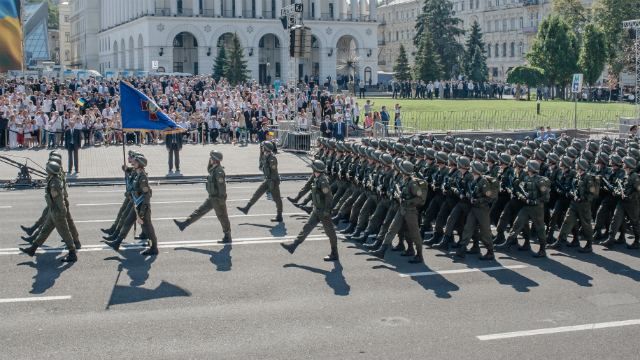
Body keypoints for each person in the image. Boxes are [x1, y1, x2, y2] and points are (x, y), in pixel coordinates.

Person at [280, 160, 339, 261]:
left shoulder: (323, 181)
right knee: (306, 227)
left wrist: (327, 211)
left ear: (315, 169)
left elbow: (329, 197)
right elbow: (314, 194)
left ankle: (334, 253)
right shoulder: (317, 179)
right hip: (316, 210)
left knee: (330, 233)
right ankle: (293, 246)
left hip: (323, 212)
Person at [20, 161, 78, 262]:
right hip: (53, 211)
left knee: (65, 233)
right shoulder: (52, 180)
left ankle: (72, 253)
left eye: (47, 169)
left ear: (50, 171)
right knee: (45, 230)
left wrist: (62, 212)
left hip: (57, 212)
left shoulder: (54, 183)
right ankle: (32, 249)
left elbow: (59, 200)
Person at [173, 150, 232, 243]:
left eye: (211, 158)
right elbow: (208, 169)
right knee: (199, 211)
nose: (210, 159)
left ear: (215, 160)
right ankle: (184, 224)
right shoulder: (213, 168)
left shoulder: (219, 171)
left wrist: (222, 200)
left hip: (217, 198)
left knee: (222, 216)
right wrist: (209, 161)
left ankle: (227, 236)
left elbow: (222, 188)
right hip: (212, 197)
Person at [237, 141, 284, 222]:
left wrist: (272, 184)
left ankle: (279, 216)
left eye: (263, 147)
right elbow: (262, 166)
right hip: (267, 180)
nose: (261, 148)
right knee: (257, 193)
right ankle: (247, 208)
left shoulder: (272, 159)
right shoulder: (265, 156)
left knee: (277, 199)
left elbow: (273, 172)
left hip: (273, 181)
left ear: (266, 148)